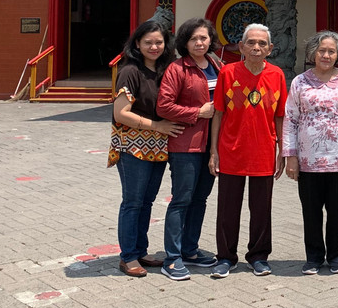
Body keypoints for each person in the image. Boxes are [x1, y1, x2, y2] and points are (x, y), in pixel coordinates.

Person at [283, 30, 338, 275]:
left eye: (331, 51)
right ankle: (313, 258)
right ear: (313, 52)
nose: (326, 55)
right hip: (308, 160)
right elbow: (291, 120)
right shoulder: (299, 81)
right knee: (310, 212)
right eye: (322, 50)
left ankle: (335, 256)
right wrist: (290, 157)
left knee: (337, 211)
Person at [207, 24, 288, 279]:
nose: (256, 47)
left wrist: (282, 152)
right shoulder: (228, 73)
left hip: (264, 151)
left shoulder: (277, 76)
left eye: (262, 44)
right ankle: (225, 257)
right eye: (251, 43)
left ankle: (258, 256)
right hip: (231, 150)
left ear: (270, 49)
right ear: (241, 47)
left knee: (261, 209)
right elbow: (218, 114)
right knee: (228, 208)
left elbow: (280, 117)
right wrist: (213, 151)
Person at [108, 20, 183, 278]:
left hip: (157, 146)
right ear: (137, 44)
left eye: (159, 42)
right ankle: (127, 256)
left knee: (146, 202)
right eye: (148, 42)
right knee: (132, 202)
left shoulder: (164, 70)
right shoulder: (130, 70)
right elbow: (120, 113)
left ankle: (140, 250)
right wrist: (158, 126)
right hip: (133, 147)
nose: (154, 46)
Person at [155, 18, 222, 280]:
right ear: (184, 42)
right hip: (186, 144)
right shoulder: (177, 68)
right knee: (181, 199)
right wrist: (197, 112)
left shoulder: (216, 65)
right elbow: (164, 106)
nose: (199, 42)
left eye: (204, 38)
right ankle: (171, 258)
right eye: (194, 38)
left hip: (212, 144)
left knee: (200, 199)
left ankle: (190, 250)